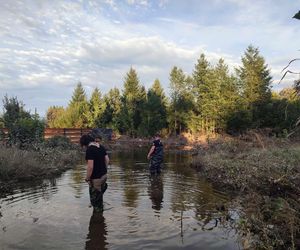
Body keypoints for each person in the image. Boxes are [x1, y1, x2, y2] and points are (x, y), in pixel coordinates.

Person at [80, 133, 109, 213]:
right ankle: (100, 213)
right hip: (104, 176)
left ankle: (98, 221)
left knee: (96, 205)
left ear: (85, 143)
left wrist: (87, 178)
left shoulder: (90, 149)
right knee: (99, 197)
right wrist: (104, 169)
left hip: (96, 179)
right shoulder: (101, 147)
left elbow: (90, 167)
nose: (84, 147)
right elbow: (107, 160)